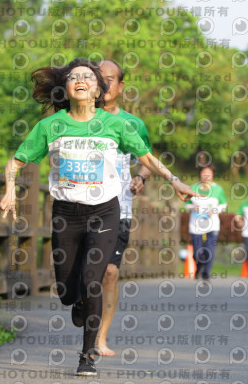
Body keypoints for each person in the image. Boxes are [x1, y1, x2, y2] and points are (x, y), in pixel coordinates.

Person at [0, 58, 199, 377]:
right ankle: (77, 302)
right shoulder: (51, 126)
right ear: (65, 87)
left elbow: (146, 157)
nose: (81, 80)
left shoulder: (116, 124)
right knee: (67, 290)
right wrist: (9, 189)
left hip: (105, 211)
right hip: (66, 214)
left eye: (88, 77)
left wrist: (174, 180)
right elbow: (17, 160)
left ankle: (87, 354)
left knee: (94, 279)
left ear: (98, 89)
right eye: (74, 77)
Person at [94, 60, 152, 357]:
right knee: (84, 273)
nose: (104, 84)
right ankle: (82, 308)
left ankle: (101, 337)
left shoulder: (134, 124)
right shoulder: (78, 118)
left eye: (109, 79)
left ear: (120, 86)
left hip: (119, 208)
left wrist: (141, 178)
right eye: (98, 79)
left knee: (111, 272)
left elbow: (146, 160)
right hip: (82, 209)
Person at [184, 165, 227, 280]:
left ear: (213, 175)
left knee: (210, 250)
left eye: (209, 173)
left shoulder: (218, 189)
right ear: (200, 174)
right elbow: (186, 203)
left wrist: (215, 210)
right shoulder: (193, 187)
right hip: (196, 225)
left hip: (212, 224)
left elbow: (224, 204)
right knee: (197, 252)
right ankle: (199, 266)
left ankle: (206, 273)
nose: (206, 175)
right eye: (204, 173)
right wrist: (193, 207)